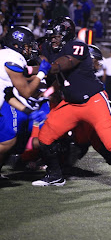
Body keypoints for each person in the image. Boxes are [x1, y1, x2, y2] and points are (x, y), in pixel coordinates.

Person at [34, 17, 111, 192]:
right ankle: (55, 175)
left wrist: (35, 69)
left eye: (55, 36)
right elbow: (42, 59)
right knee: (45, 137)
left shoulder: (77, 46)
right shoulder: (49, 47)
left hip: (93, 101)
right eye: (50, 36)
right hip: (71, 104)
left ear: (65, 35)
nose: (52, 40)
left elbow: (58, 66)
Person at [0, 26, 51, 178]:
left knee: (8, 140)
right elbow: (26, 91)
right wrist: (41, 73)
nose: (30, 49)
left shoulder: (6, 56)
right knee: (7, 141)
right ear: (17, 45)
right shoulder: (12, 60)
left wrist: (28, 111)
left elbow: (7, 94)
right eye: (28, 46)